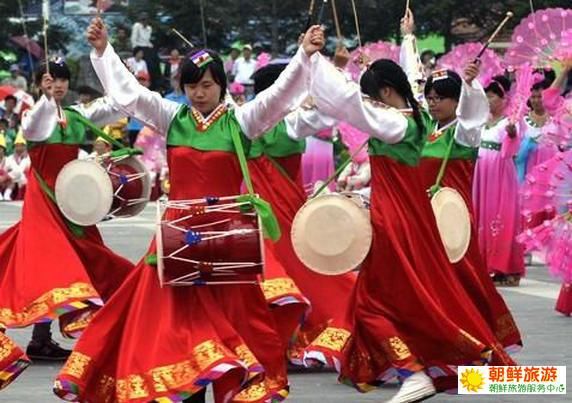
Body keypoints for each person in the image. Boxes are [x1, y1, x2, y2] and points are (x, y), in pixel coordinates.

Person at [53, 18, 324, 402]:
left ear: (222, 87)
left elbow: (278, 97)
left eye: (208, 85)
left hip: (226, 244)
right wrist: (103, 51)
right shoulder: (172, 117)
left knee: (237, 327)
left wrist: (304, 56)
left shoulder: (242, 121)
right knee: (175, 330)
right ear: (183, 88)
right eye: (192, 86)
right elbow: (130, 94)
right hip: (178, 242)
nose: (199, 93)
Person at [307, 25, 523, 401]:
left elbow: (351, 103)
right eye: (432, 96)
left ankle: (432, 368)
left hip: (443, 225)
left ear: (386, 94)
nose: (435, 102)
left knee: (452, 295)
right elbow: (407, 82)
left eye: (444, 97)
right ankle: (430, 366)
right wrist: (406, 39)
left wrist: (316, 60)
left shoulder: (439, 130)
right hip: (417, 222)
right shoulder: (421, 123)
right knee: (417, 300)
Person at [0, 59, 134, 380]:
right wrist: (45, 98)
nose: (58, 85)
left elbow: (117, 103)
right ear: (39, 85)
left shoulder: (78, 115)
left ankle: (40, 340)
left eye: (62, 80)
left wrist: (114, 66)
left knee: (90, 262)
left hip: (71, 204)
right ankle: (49, 338)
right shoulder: (34, 117)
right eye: (51, 80)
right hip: (43, 204)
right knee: (55, 266)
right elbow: (36, 124)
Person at [473, 75, 525, 287]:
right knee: (481, 215)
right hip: (480, 171)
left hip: (500, 173)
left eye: (493, 95)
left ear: (503, 99)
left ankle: (504, 266)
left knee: (500, 216)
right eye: (487, 95)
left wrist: (512, 134)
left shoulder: (510, 122)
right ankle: (483, 264)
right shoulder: (481, 120)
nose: (489, 99)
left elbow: (513, 147)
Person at [5, 131, 30, 200]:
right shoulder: (10, 158)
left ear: (25, 147)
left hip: (25, 184)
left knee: (19, 173)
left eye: (21, 145)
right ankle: (6, 194)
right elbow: (4, 170)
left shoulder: (29, 158)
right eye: (17, 146)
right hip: (11, 183)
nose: (19, 148)